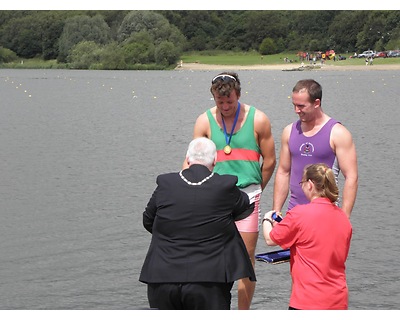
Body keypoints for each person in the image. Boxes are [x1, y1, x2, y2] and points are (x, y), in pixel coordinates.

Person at [184, 72, 276, 309]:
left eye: (230, 102)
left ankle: (242, 311)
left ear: (239, 95)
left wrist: (257, 188)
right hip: (213, 197)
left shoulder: (259, 120)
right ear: (213, 97)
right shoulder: (203, 121)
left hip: (247, 196)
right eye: (220, 102)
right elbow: (192, 161)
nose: (225, 107)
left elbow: (270, 161)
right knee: (211, 255)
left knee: (246, 257)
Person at [140, 137, 256, 310]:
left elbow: (148, 220)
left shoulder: (166, 183)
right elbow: (245, 207)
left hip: (163, 276)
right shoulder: (225, 185)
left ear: (187, 159)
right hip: (210, 279)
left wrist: (174, 234)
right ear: (215, 160)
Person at [263, 163, 353, 310]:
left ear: (310, 185)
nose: (301, 186)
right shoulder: (343, 219)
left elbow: (270, 239)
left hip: (307, 300)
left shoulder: (299, 214)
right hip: (337, 299)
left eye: (302, 183)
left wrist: (267, 219)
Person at [272, 79, 358, 218]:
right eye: (294, 105)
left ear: (316, 103)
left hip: (325, 215)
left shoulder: (338, 133)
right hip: (294, 213)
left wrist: (345, 216)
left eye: (301, 106)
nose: (296, 111)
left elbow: (351, 177)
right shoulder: (289, 131)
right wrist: (275, 212)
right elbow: (283, 172)